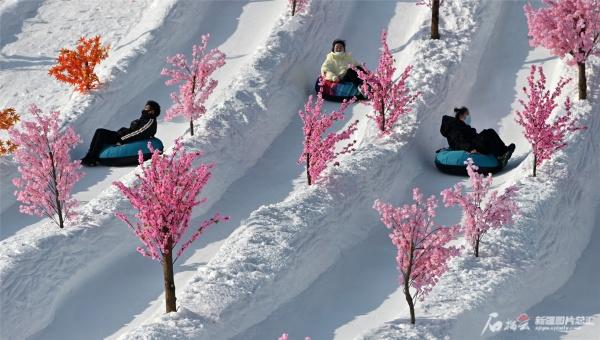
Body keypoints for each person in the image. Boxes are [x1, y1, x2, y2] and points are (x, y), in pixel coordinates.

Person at [80, 100, 160, 166]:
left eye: (147, 107)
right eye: (145, 106)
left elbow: (137, 133)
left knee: (100, 133)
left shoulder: (150, 121)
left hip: (122, 137)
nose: (145, 108)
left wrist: (121, 140)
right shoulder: (145, 119)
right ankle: (90, 155)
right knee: (99, 132)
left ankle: (92, 158)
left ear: (152, 111)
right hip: (122, 135)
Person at [440, 106, 515, 166]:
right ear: (461, 115)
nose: (468, 117)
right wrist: (470, 148)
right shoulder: (454, 126)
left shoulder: (461, 125)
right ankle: (500, 156)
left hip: (474, 142)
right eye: (466, 115)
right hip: (472, 146)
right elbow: (458, 141)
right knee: (488, 133)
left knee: (489, 132)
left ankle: (504, 151)